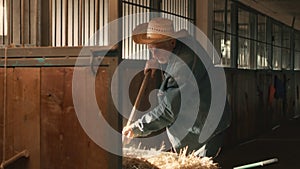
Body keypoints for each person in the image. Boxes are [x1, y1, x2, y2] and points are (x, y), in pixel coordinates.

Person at [122, 17, 231, 157]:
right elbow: (167, 56)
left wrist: (137, 128)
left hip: (207, 124)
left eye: (157, 48)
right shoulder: (178, 46)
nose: (154, 53)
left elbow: (169, 111)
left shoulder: (184, 67)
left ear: (172, 42)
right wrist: (158, 62)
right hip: (199, 118)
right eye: (150, 48)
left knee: (202, 164)